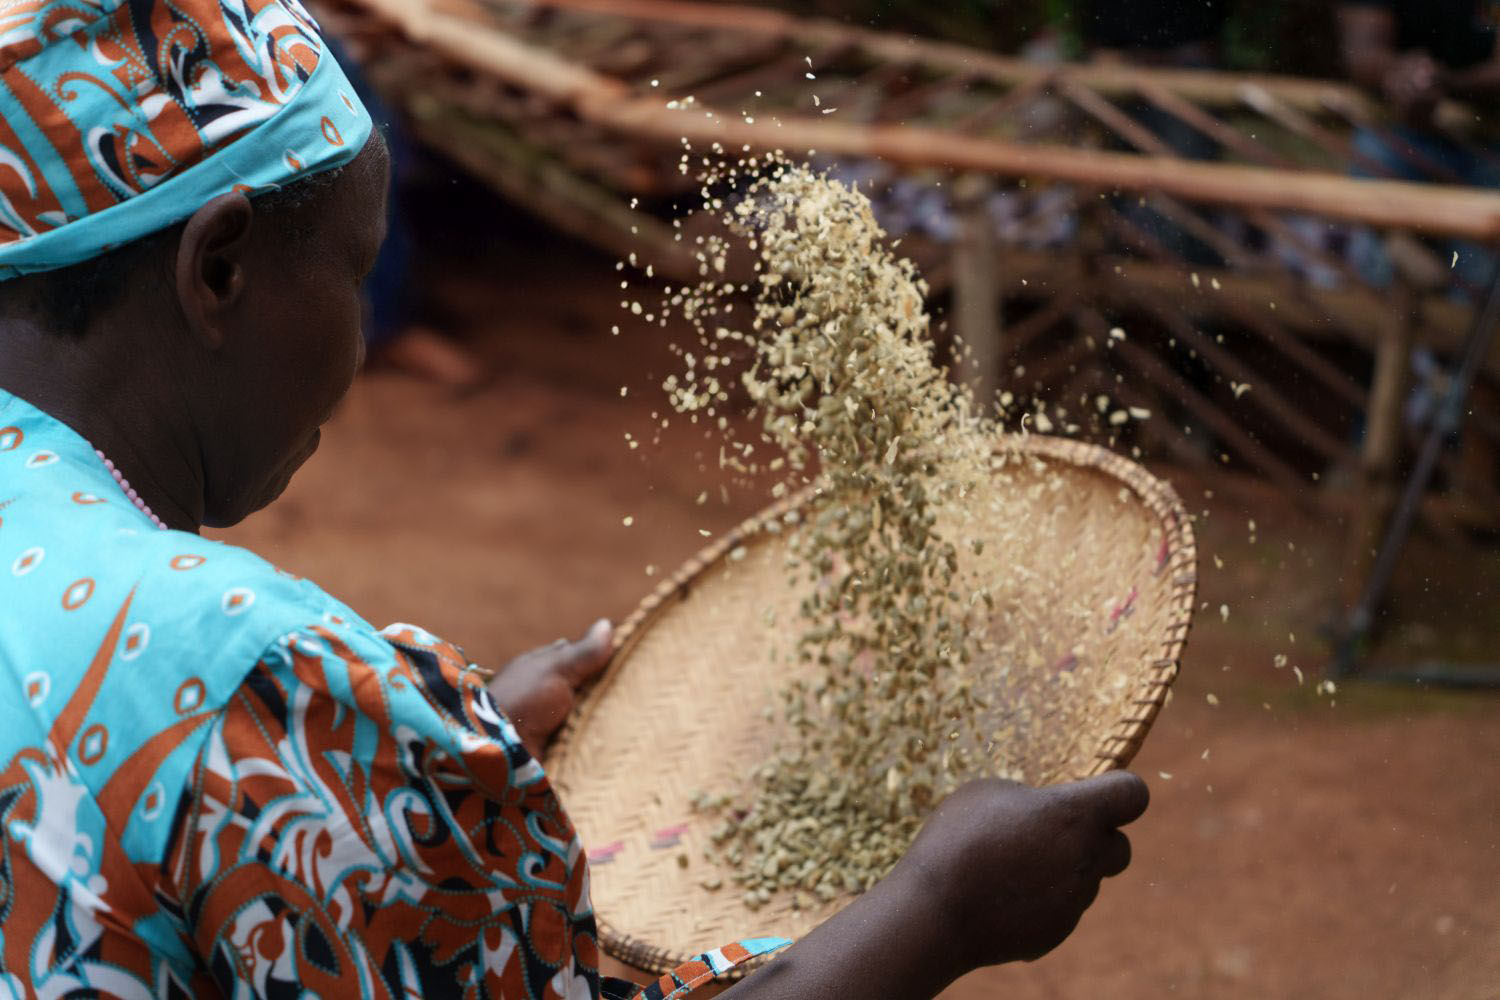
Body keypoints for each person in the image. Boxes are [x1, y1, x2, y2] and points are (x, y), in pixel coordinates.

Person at [0, 2, 1149, 998]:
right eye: (355, 274)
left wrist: (421, 776)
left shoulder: (270, 709)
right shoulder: (258, 685)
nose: (358, 343)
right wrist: (940, 906)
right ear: (219, 269)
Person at [1338, 0, 1500, 291]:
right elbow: (1361, 54)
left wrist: (1444, 81)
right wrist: (1405, 74)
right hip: (1396, 135)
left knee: (1476, 277)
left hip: (1485, 142)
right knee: (1377, 267)